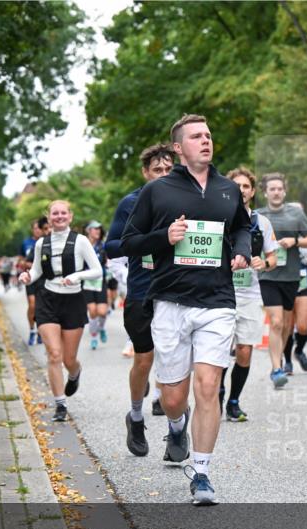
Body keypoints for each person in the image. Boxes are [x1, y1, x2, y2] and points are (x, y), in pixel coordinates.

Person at [121, 114, 252, 506]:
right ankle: (177, 426)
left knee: (208, 387)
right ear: (179, 147)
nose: (206, 141)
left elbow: (242, 227)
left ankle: (203, 472)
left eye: (209, 135)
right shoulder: (157, 192)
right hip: (170, 303)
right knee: (174, 398)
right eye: (196, 136)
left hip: (217, 303)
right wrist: (165, 236)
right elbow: (129, 241)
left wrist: (243, 250)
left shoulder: (229, 190)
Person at [106, 143, 175, 456]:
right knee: (144, 360)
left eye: (168, 169)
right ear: (145, 172)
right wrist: (152, 239)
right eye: (157, 170)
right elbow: (111, 247)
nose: (162, 175)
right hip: (141, 293)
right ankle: (135, 417)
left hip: (178, 292)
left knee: (177, 363)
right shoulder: (131, 203)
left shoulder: (186, 199)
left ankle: (177, 430)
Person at [18, 200, 102, 422]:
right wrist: (27, 277)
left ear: (70, 216)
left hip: (73, 300)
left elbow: (97, 270)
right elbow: (36, 271)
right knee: (54, 354)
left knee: (68, 359)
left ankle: (75, 373)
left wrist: (77, 276)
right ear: (49, 217)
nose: (59, 216)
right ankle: (60, 404)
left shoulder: (81, 241)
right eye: (55, 213)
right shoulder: (41, 244)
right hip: (48, 300)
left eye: (63, 213)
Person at [221, 166, 279, 421]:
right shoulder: (218, 216)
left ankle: (234, 400)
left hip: (249, 295)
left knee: (244, 350)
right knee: (219, 350)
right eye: (237, 185)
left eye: (246, 186)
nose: (241, 190)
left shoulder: (261, 222)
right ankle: (217, 392)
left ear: (253, 191)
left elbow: (274, 258)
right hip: (220, 294)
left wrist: (263, 264)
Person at [256, 173, 307, 388]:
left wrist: (295, 241)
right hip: (268, 275)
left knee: (286, 326)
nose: (276, 192)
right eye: (272, 189)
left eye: (279, 188)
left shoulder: (296, 214)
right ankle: (276, 368)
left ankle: (279, 358)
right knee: (276, 321)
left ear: (284, 191)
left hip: (291, 277)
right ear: (265, 192)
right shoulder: (258, 216)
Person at [282, 243, 307, 374]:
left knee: (303, 327)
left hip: (303, 284)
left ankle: (298, 351)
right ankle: (287, 362)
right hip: (284, 283)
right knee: (288, 327)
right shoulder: (280, 233)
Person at [20, 217, 49, 345]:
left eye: (40, 228)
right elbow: (22, 261)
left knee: (41, 307)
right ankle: (32, 330)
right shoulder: (29, 244)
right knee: (32, 305)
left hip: (44, 280)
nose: (38, 231)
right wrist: (34, 266)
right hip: (31, 278)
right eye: (36, 228)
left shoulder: (47, 243)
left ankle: (39, 332)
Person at [82, 221, 110, 350]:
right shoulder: (82, 245)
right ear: (88, 230)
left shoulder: (102, 246)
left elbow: (108, 262)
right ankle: (94, 336)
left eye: (99, 229)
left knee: (102, 312)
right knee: (93, 311)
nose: (98, 231)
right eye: (95, 229)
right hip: (87, 282)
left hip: (100, 281)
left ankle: (101, 328)